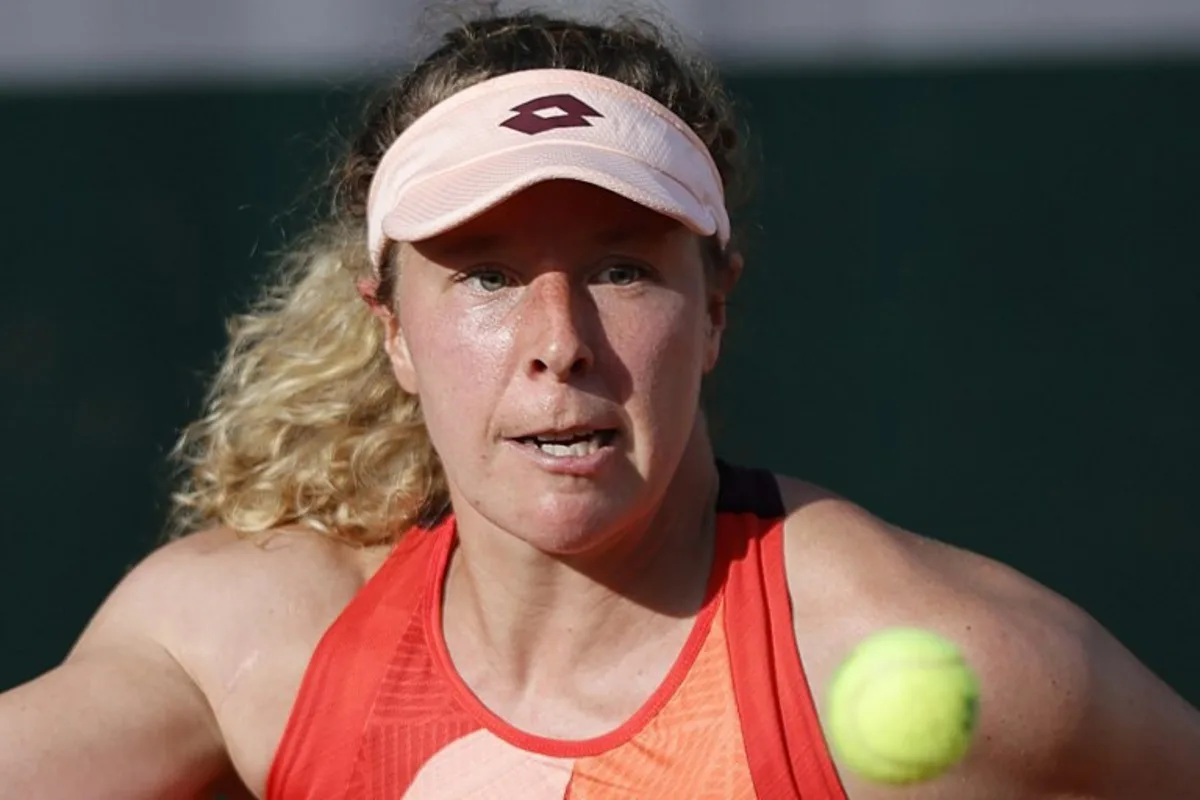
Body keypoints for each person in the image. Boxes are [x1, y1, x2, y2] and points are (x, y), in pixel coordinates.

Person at [2, 8, 1198, 800]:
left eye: (622, 269)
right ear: (392, 329)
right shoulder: (244, 647)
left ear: (714, 308)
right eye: (487, 276)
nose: (558, 344)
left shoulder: (928, 649)